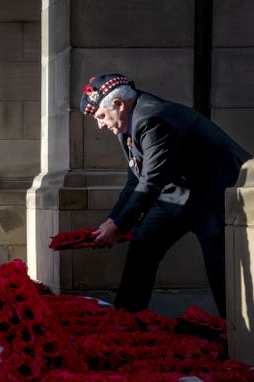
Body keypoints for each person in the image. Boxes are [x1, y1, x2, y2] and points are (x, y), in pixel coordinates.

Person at [80, 73, 251, 318]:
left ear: (119, 104)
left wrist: (119, 226)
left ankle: (239, 335)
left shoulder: (152, 117)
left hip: (213, 193)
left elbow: (151, 182)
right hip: (176, 195)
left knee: (223, 268)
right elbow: (135, 178)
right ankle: (125, 321)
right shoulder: (126, 125)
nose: (100, 125)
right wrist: (113, 220)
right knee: (143, 247)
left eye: (101, 116)